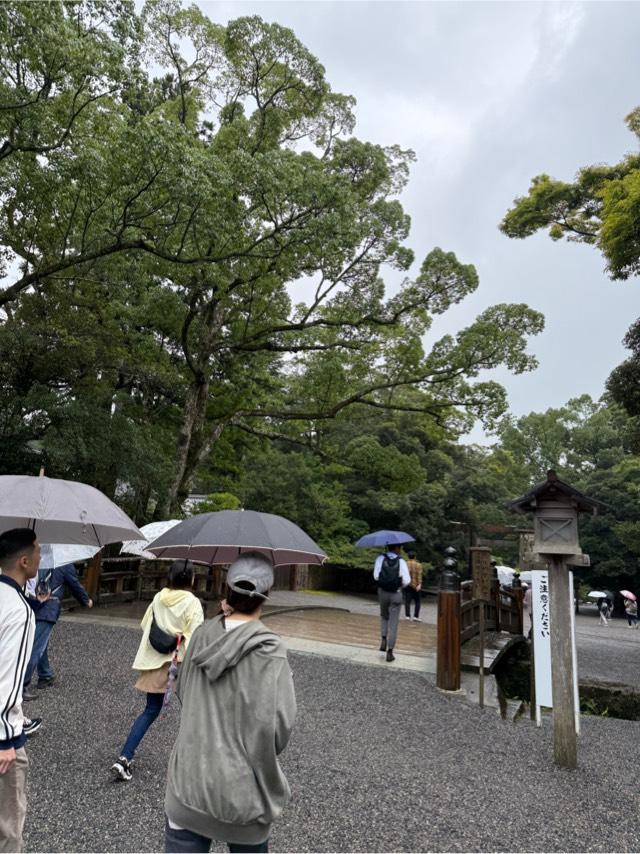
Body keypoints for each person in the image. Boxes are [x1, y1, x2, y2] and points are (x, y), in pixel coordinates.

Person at [164, 552, 296, 854]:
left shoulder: (201, 635)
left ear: (228, 590)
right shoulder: (270, 651)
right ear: (267, 595)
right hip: (244, 793)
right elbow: (278, 730)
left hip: (189, 782)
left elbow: (184, 690)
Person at [112, 560, 204, 782]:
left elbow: (146, 625)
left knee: (150, 710)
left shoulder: (158, 598)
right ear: (191, 579)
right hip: (180, 663)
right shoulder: (192, 602)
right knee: (195, 712)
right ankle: (195, 763)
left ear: (170, 576)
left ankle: (125, 756)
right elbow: (196, 637)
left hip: (156, 663)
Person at [0, 528, 41, 854]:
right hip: (2, 735)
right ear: (24, 561)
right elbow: (10, 679)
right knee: (8, 825)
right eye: (38, 552)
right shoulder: (19, 611)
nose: (42, 557)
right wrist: (6, 740)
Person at [22, 562, 93, 700]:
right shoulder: (64, 563)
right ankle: (22, 684)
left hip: (32, 604)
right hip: (48, 608)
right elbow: (74, 584)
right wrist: (86, 600)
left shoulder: (37, 558)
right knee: (36, 647)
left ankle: (45, 675)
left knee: (40, 643)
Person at [373, 544, 410, 662]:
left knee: (384, 616)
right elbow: (407, 581)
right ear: (397, 548)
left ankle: (383, 639)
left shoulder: (380, 558)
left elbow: (376, 577)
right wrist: (399, 586)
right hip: (396, 594)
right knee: (393, 623)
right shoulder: (401, 562)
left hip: (383, 593)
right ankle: (390, 652)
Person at [404, 550, 423, 622]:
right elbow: (419, 576)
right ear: (415, 556)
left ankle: (407, 616)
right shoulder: (418, 564)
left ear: (408, 556)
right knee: (417, 601)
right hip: (416, 585)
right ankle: (416, 616)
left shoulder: (405, 564)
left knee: (407, 601)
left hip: (407, 584)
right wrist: (420, 584)